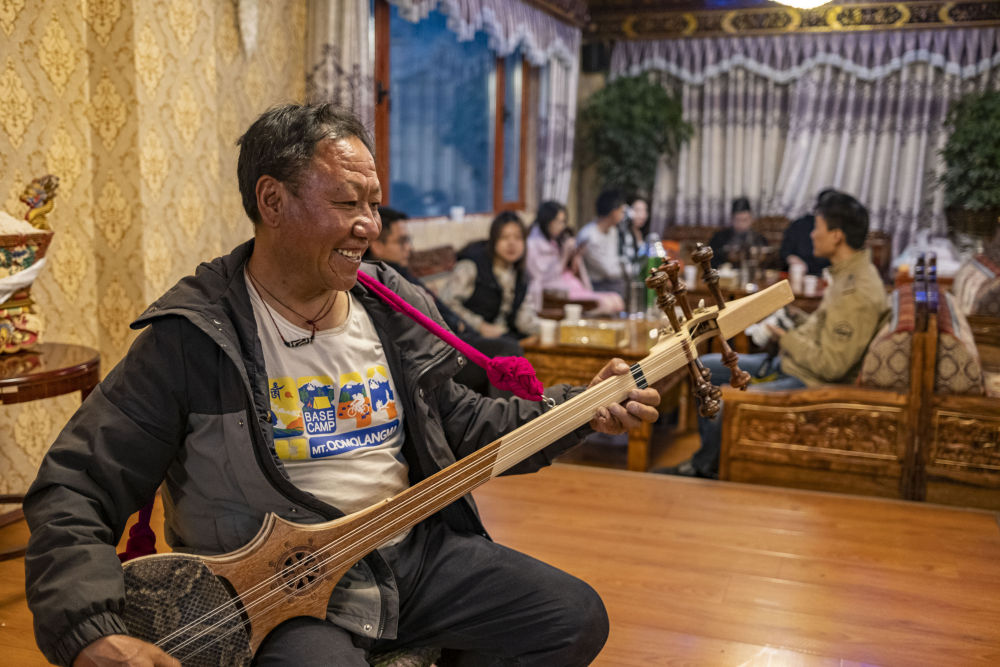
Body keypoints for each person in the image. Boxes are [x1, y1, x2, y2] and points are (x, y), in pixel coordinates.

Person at [22, 103, 666, 667]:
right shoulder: (195, 336)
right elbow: (77, 484)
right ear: (272, 201)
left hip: (410, 558)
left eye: (373, 203)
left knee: (571, 617)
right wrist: (90, 631)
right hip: (279, 594)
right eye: (346, 203)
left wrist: (581, 408)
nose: (370, 225)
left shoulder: (393, 308)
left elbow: (464, 424)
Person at [657, 191, 889, 478]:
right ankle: (710, 459)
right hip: (794, 365)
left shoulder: (858, 292)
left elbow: (832, 366)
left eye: (817, 227)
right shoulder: (847, 275)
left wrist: (783, 336)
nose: (812, 234)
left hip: (809, 382)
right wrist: (796, 317)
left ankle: (704, 468)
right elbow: (828, 330)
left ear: (837, 235)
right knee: (704, 367)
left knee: (723, 398)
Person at [365, 206, 523, 397]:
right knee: (507, 351)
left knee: (507, 347)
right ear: (377, 246)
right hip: (441, 354)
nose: (409, 248)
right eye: (402, 241)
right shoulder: (384, 281)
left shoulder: (400, 271)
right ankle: (509, 415)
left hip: (458, 338)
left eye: (408, 240)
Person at [438, 211, 539, 340]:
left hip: (504, 337)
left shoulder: (519, 274)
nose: (512, 243)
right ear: (493, 240)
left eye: (518, 238)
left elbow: (523, 319)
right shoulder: (471, 265)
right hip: (468, 337)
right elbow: (446, 304)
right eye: (504, 237)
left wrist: (549, 329)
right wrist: (480, 326)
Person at [524, 200, 624, 316]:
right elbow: (542, 279)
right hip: (552, 293)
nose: (562, 226)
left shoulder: (554, 241)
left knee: (617, 299)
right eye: (558, 222)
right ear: (547, 221)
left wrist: (575, 257)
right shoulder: (532, 244)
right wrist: (565, 255)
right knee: (605, 304)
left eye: (563, 222)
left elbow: (573, 271)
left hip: (570, 286)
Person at [577, 189, 628, 297]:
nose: (623, 216)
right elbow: (608, 270)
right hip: (596, 285)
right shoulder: (589, 236)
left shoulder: (613, 230)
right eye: (621, 211)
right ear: (613, 212)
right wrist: (624, 269)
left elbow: (614, 261)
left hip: (614, 282)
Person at [780, 189, 835, 277]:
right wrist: (793, 260)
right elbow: (785, 251)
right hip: (800, 274)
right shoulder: (800, 225)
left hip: (827, 276)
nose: (813, 235)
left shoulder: (838, 231)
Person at [707, 197, 769, 269]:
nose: (741, 224)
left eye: (744, 220)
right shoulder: (719, 238)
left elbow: (767, 264)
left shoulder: (760, 239)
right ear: (732, 219)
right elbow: (709, 262)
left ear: (751, 219)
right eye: (737, 220)